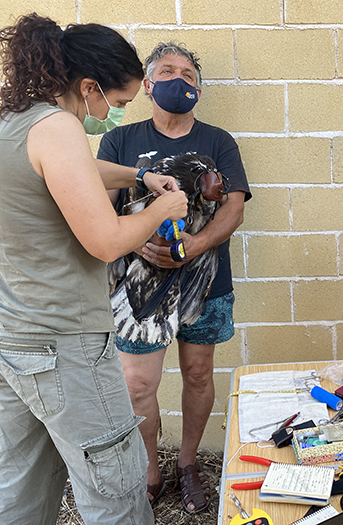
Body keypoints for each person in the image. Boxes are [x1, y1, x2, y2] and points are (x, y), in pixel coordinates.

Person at [0, 13, 188, 525]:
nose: (115, 115)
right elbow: (106, 242)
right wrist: (161, 210)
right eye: (118, 103)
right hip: (68, 345)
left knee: (20, 492)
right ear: (89, 88)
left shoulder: (15, 123)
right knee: (115, 491)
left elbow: (80, 167)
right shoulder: (58, 127)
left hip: (16, 341)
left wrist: (142, 175)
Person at [97, 41, 251, 514]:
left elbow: (234, 207)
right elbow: (102, 208)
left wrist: (193, 248)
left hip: (205, 283)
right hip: (137, 290)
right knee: (138, 385)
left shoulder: (218, 141)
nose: (179, 80)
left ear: (199, 89)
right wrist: (133, 239)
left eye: (188, 74)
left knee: (198, 372)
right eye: (168, 71)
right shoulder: (119, 142)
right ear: (147, 85)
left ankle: (187, 464)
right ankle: (149, 468)